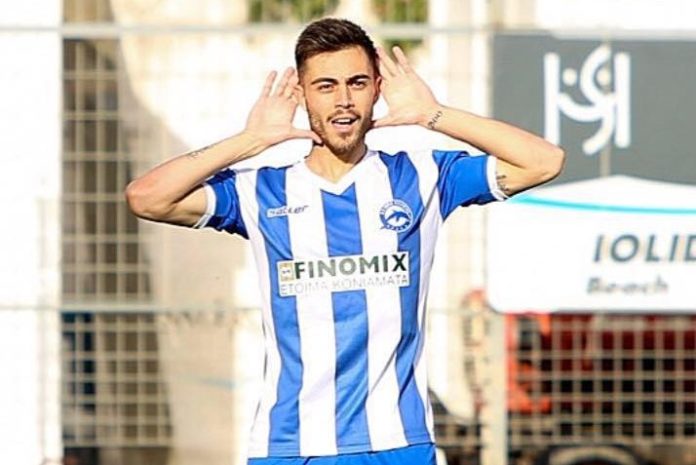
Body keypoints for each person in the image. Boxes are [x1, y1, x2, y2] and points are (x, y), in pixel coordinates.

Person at [125, 17, 564, 465]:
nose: (344, 101)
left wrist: (434, 115)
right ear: (302, 94)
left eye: (357, 83)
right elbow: (147, 197)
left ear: (377, 89)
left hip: (398, 443)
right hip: (291, 445)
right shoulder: (260, 191)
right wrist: (250, 140)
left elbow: (543, 162)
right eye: (326, 86)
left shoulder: (425, 175)